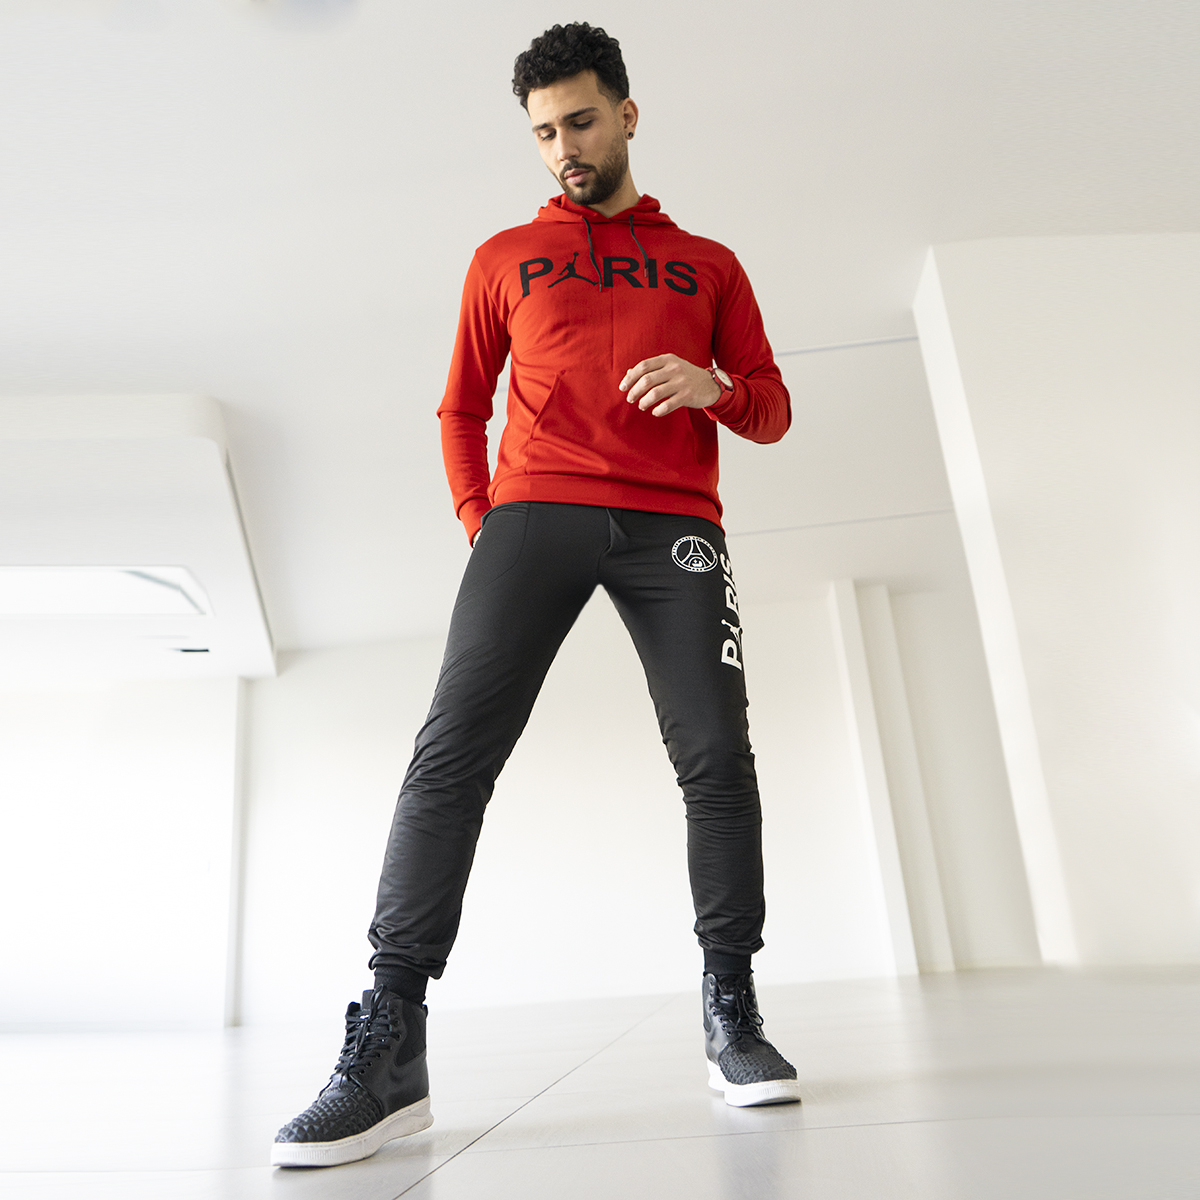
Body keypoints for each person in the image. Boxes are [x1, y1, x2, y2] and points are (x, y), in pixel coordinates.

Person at [272, 22, 800, 1169]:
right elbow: (462, 406)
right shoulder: (505, 257)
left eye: (581, 122)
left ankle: (732, 1010)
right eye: (545, 132)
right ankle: (390, 1040)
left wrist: (712, 386)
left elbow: (770, 407)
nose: (564, 147)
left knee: (716, 756)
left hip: (674, 526)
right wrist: (485, 523)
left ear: (627, 115)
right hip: (532, 516)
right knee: (452, 752)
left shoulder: (707, 264)